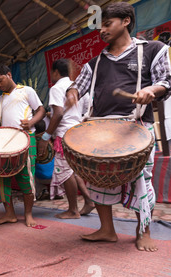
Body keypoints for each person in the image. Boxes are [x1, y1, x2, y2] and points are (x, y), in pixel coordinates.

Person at [65, 2, 171, 251]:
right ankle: (106, 230)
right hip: (100, 129)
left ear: (125, 21)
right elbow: (77, 86)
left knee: (141, 181)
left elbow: (166, 80)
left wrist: (150, 90)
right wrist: (71, 93)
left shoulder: (152, 49)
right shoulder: (95, 62)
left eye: (107, 24)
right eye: (99, 26)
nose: (101, 30)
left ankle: (142, 230)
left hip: (135, 127)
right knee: (97, 179)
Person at [0, 65, 46, 227]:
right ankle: (10, 214)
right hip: (5, 143)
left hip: (26, 138)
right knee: (1, 178)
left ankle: (28, 214)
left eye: (0, 80)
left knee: (26, 177)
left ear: (9, 74)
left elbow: (41, 109)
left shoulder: (26, 91)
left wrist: (32, 122)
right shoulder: (0, 100)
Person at [37, 59, 94, 219]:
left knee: (64, 172)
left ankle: (73, 210)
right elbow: (87, 111)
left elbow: (59, 114)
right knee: (73, 170)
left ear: (55, 72)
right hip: (77, 134)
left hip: (64, 136)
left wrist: (45, 137)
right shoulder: (77, 87)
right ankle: (89, 201)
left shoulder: (56, 88)